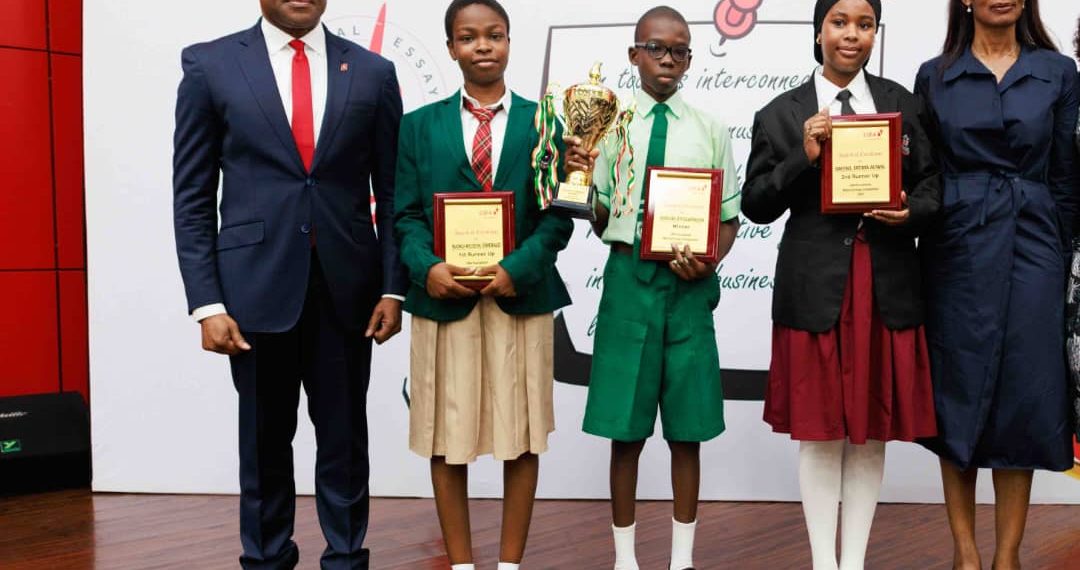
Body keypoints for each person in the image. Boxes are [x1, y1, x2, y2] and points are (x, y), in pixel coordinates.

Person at [172, 0, 406, 567]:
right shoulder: (211, 65)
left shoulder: (373, 72)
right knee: (262, 443)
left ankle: (347, 558)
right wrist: (206, 302)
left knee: (346, 443)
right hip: (253, 289)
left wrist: (393, 288)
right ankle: (266, 558)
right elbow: (193, 197)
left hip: (350, 289)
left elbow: (396, 190)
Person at [741, 1, 941, 568]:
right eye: (839, 22)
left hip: (886, 284)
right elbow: (755, 204)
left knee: (871, 430)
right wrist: (802, 158)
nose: (852, 35)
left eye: (865, 24)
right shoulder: (782, 113)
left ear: (876, 32)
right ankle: (822, 563)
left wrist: (911, 211)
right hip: (816, 290)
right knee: (821, 431)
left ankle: (852, 562)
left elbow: (933, 186)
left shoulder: (902, 104)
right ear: (819, 29)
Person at [392, 1, 574, 568]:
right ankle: (464, 563)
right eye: (469, 38)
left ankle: (510, 563)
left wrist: (515, 269)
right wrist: (428, 268)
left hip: (520, 298)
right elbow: (404, 216)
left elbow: (559, 214)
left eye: (494, 35)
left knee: (519, 437)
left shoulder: (545, 123)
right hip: (443, 300)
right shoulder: (418, 126)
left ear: (510, 43)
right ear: (451, 48)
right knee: (449, 437)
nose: (483, 46)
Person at [565, 6, 740, 570]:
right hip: (628, 285)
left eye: (681, 50)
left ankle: (682, 560)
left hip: (688, 292)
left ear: (690, 58)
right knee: (627, 429)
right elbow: (595, 213)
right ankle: (625, 559)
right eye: (657, 48)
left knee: (686, 431)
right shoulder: (607, 127)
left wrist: (709, 261)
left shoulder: (711, 130)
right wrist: (577, 172)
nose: (669, 59)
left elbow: (730, 218)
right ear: (633, 54)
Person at [915, 1, 1080, 568]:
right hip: (956, 244)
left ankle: (1007, 556)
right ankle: (965, 552)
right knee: (956, 393)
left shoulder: (1059, 72)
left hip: (1035, 243)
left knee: (1024, 396)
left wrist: (1060, 256)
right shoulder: (934, 74)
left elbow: (1064, 176)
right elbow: (926, 175)